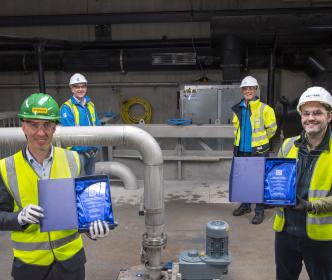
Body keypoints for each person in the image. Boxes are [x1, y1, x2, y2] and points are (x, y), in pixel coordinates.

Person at [0, 93, 109, 280]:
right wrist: (19, 218)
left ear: (55, 127)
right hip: (30, 267)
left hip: (71, 264)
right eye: (34, 124)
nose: (41, 132)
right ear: (23, 126)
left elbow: (83, 209)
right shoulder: (5, 168)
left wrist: (93, 226)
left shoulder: (74, 160)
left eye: (47, 125)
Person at [274, 86, 332, 280]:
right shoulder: (288, 145)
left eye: (317, 113)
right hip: (285, 231)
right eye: (306, 113)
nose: (311, 118)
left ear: (329, 116)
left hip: (320, 236)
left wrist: (310, 205)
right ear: (301, 117)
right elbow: (276, 181)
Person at [231, 75, 277, 224]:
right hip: (241, 150)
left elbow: (272, 129)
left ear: (256, 89)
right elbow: (235, 128)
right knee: (244, 180)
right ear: (242, 90)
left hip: (258, 150)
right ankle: (245, 205)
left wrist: (261, 142)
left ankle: (259, 211)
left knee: (258, 182)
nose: (248, 91)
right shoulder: (238, 108)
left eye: (251, 88)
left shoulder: (265, 109)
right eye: (245, 88)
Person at [60, 73, 101, 175]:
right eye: (77, 87)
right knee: (78, 181)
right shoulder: (67, 108)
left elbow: (98, 126)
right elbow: (68, 134)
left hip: (92, 151)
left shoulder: (90, 105)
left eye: (82, 86)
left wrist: (95, 146)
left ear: (86, 88)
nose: (80, 89)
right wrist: (87, 148)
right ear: (71, 89)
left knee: (90, 181)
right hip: (76, 153)